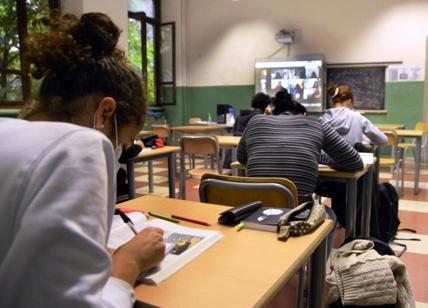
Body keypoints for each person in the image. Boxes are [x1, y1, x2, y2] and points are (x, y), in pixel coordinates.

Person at [0, 12, 165, 308]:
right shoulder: (82, 147)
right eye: (124, 144)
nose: (119, 155)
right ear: (104, 113)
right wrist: (128, 263)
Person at [237, 89, 363, 203]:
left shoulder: (255, 121)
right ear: (301, 113)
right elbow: (355, 162)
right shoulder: (317, 123)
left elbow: (241, 158)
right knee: (329, 215)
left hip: (256, 211)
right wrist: (322, 158)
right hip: (298, 213)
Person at [321, 85, 387, 147]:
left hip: (326, 159)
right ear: (349, 102)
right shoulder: (357, 117)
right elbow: (382, 139)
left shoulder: (322, 120)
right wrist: (366, 141)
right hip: (352, 158)